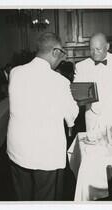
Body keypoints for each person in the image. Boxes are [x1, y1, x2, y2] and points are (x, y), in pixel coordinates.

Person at [7, 32, 79, 201]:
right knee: (46, 199)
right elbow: (71, 117)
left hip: (17, 149)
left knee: (22, 198)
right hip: (45, 153)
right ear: (55, 52)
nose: (63, 58)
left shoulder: (15, 73)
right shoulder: (60, 82)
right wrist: (75, 102)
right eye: (62, 53)